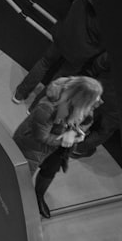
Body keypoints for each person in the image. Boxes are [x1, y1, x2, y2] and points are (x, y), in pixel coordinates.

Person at [12, 76, 102, 218]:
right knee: (19, 178)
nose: (98, 102)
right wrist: (65, 140)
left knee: (50, 171)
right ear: (81, 98)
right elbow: (41, 136)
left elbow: (88, 119)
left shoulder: (84, 104)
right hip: (33, 147)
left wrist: (72, 132)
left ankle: (38, 196)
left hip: (56, 148)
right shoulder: (48, 107)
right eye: (94, 100)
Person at [13, 0, 103, 105]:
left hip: (64, 36)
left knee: (44, 62)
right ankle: (36, 107)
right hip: (81, 52)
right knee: (60, 78)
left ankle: (20, 94)